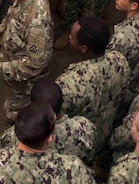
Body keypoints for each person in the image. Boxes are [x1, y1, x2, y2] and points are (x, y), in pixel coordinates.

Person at [56, 16, 130, 155]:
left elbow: (59, 121)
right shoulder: (119, 61)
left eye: (72, 36)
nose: (69, 38)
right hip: (106, 131)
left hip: (81, 142)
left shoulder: (69, 83)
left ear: (84, 48)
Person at [1, 77, 97, 164]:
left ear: (31, 104)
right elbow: (89, 156)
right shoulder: (84, 129)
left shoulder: (14, 136)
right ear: (62, 102)